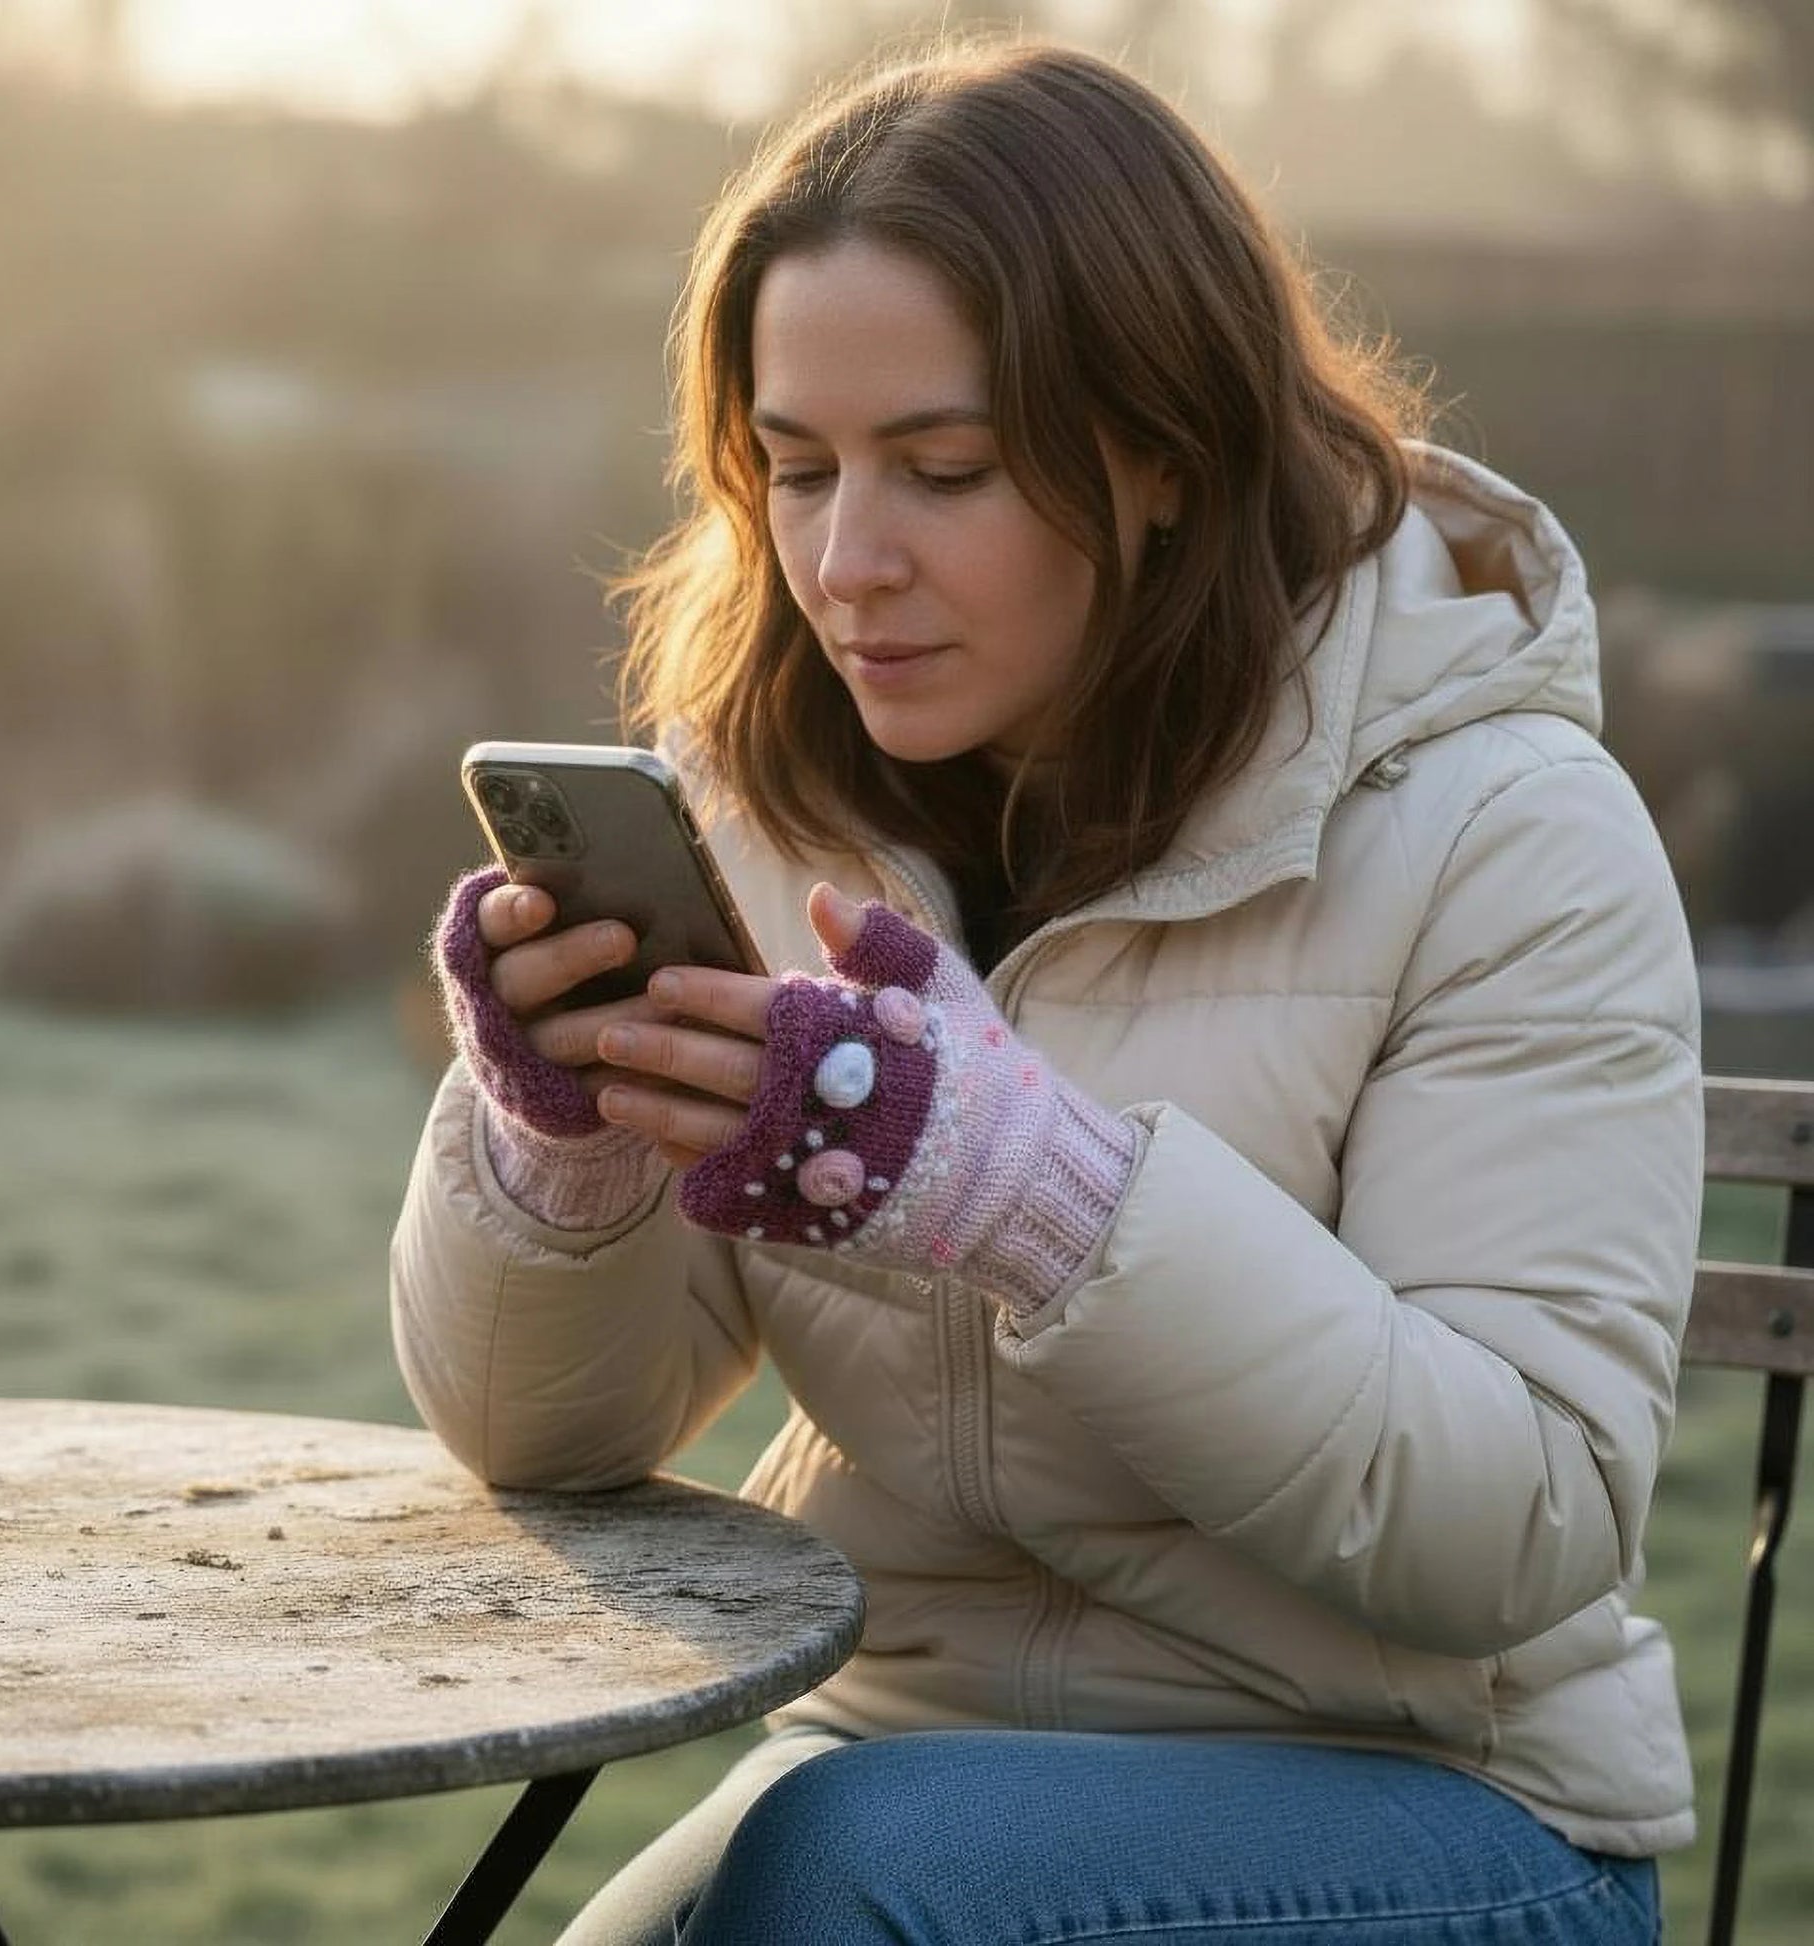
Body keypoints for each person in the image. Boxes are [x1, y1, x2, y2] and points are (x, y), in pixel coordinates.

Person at [391, 37, 1699, 1946]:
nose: (846, 562)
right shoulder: (768, 813)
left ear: (1164, 449)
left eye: (944, 468)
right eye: (796, 469)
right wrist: (561, 1141)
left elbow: (1518, 1522)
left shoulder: (1508, 832)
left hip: (1436, 1815)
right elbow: (542, 1441)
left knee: (842, 1886)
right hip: (885, 1768)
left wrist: (1031, 1192)